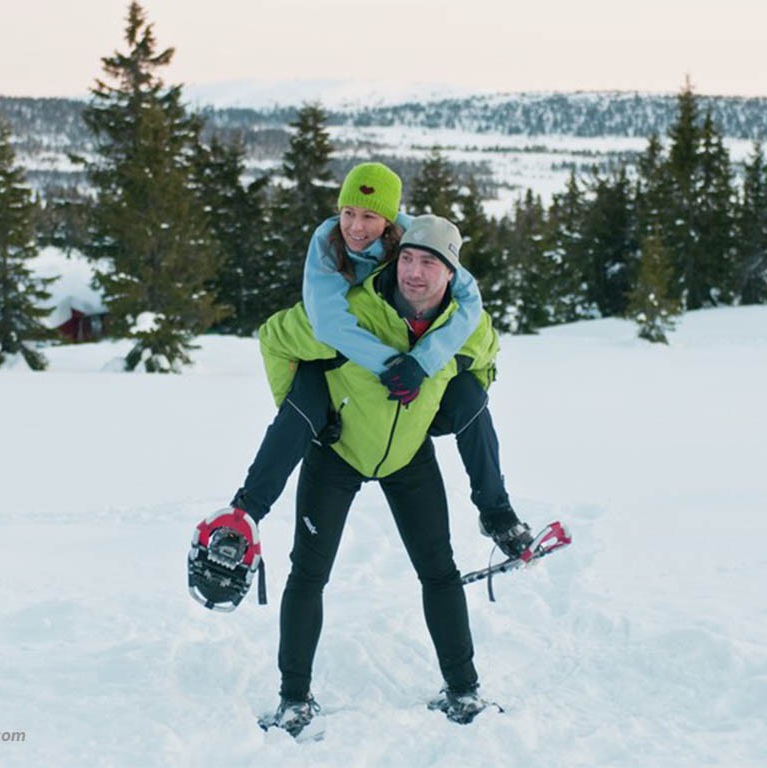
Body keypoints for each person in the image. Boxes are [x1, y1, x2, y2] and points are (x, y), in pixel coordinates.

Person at [248, 215, 532, 735]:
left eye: (430, 263)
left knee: (439, 572)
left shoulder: (468, 326)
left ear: (452, 275)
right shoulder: (351, 312)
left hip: (408, 456)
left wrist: (441, 409)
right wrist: (307, 410)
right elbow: (273, 337)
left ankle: (464, 691)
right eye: (407, 259)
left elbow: (485, 367)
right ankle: (294, 699)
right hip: (339, 454)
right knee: (309, 575)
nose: (414, 274)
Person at [191, 165, 524, 589]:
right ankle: (243, 518)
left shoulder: (418, 244)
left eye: (369, 216)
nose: (356, 227)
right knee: (306, 397)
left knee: (471, 398)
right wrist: (384, 368)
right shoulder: (328, 253)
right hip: (345, 384)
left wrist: (430, 363)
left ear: (392, 225)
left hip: (412, 403)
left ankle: (497, 513)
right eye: (349, 213)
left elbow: (472, 306)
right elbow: (312, 331)